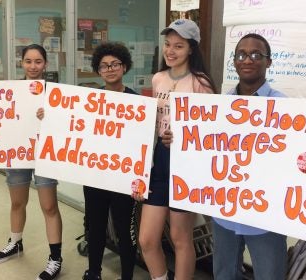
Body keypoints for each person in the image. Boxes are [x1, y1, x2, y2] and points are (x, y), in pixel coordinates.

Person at [135, 19, 216, 280]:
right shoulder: (158, 78)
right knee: (147, 239)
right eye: (168, 44)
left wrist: (182, 138)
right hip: (159, 160)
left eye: (178, 46)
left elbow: (210, 130)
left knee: (180, 238)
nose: (170, 51)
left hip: (187, 164)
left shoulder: (201, 83)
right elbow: (152, 121)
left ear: (191, 49)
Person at [212, 33, 287, 280]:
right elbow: (203, 148)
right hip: (224, 213)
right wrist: (176, 141)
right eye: (241, 54)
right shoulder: (218, 106)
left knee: (270, 275)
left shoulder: (285, 108)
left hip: (266, 216)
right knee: (224, 275)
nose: (248, 60)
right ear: (234, 62)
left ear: (269, 62)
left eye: (256, 55)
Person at [0, 44, 63, 280]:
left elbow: (68, 124)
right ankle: (15, 242)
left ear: (46, 64)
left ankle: (55, 258)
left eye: (38, 62)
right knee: (17, 203)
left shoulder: (55, 92)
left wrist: (52, 115)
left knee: (49, 206)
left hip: (44, 153)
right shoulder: (11, 91)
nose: (33, 66)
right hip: (17, 152)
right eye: (28, 61)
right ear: (21, 63)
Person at [82, 42, 138, 280]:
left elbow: (141, 143)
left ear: (124, 66)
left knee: (125, 231)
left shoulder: (137, 102)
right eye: (104, 66)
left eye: (115, 64)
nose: (110, 69)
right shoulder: (89, 100)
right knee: (95, 227)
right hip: (95, 175)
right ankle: (94, 272)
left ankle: (127, 276)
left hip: (124, 179)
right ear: (98, 70)